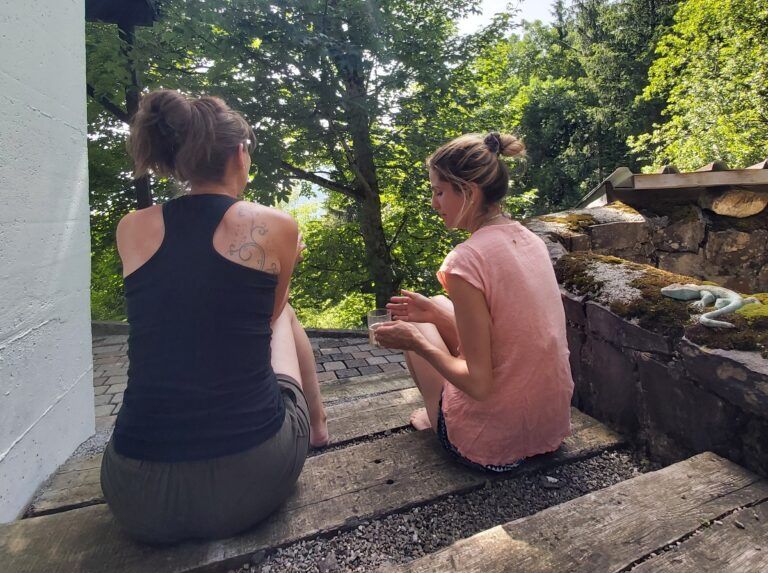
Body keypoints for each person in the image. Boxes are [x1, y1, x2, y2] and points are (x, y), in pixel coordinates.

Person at [100, 89, 328, 544]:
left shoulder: (131, 227)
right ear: (239, 153)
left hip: (134, 493)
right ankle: (318, 428)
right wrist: (288, 262)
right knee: (287, 316)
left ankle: (315, 426)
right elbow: (265, 321)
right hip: (250, 479)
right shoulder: (276, 226)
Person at [374, 132, 574, 472]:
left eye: (439, 192)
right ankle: (441, 402)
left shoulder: (465, 261)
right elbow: (510, 338)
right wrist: (436, 314)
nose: (434, 203)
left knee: (412, 326)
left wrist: (417, 342)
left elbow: (479, 383)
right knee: (437, 303)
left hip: (493, 447)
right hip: (548, 427)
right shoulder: (529, 239)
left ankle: (436, 417)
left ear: (468, 191)